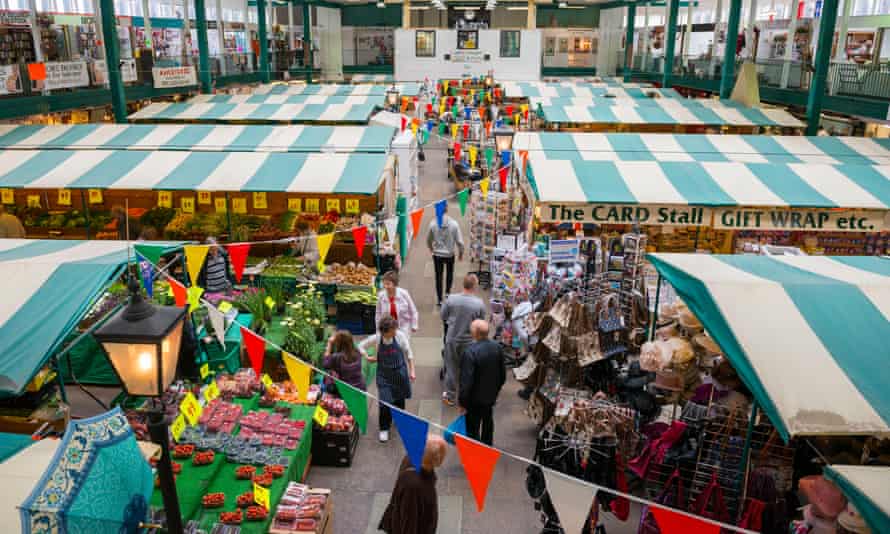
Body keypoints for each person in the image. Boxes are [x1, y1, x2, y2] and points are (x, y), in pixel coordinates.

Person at [358, 316, 416, 443]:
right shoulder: (378, 338)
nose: (395, 331)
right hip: (383, 375)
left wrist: (412, 370)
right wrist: (367, 356)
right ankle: (384, 428)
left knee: (399, 400)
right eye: (393, 330)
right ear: (385, 332)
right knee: (384, 402)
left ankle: (399, 419)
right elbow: (361, 345)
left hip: (399, 373)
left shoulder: (399, 336)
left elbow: (409, 353)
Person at [379, 436, 447, 534]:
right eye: (444, 453)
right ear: (438, 460)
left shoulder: (416, 459)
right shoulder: (413, 487)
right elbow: (409, 522)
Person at [459, 320, 506, 446]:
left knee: (472, 429)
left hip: (473, 401)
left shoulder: (470, 352)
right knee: (488, 423)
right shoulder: (498, 347)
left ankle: (475, 454)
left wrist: (462, 402)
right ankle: (487, 448)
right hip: (490, 397)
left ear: (475, 333)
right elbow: (503, 375)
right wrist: (495, 392)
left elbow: (466, 383)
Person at [440, 274, 485, 406]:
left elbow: (443, 315)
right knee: (468, 369)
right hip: (470, 341)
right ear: (475, 286)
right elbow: (480, 322)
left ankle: (450, 396)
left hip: (452, 339)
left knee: (451, 367)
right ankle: (467, 396)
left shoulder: (451, 299)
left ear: (463, 284)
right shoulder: (479, 304)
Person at [426, 203, 465, 307]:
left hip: (437, 255)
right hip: (449, 255)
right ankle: (447, 294)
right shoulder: (454, 224)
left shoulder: (433, 224)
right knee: (449, 274)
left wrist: (431, 248)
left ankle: (439, 299)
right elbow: (460, 242)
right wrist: (461, 253)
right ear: (447, 209)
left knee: (438, 276)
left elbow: (428, 240)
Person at [376, 271, 419, 338]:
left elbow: (413, 311)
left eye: (388, 284)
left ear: (395, 284)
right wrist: (378, 328)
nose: (386, 286)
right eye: (384, 284)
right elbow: (378, 313)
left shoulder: (404, 294)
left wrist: (414, 325)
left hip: (403, 327)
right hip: (387, 329)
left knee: (402, 347)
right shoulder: (381, 296)